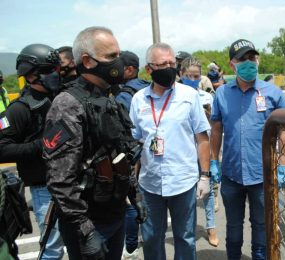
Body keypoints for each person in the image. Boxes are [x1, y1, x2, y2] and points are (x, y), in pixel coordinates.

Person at [43, 26, 142, 260]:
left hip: (115, 214)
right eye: (111, 57)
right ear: (87, 61)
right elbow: (59, 179)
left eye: (118, 55)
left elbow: (120, 154)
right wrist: (86, 232)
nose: (118, 62)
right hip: (89, 223)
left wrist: (135, 197)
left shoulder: (107, 97)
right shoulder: (67, 105)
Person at [129, 42, 211, 260]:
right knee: (152, 238)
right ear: (149, 70)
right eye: (162, 64)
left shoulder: (189, 96)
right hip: (150, 184)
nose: (169, 67)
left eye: (172, 63)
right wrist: (131, 179)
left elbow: (202, 138)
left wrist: (205, 175)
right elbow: (135, 142)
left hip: (183, 181)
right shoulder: (138, 100)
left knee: (185, 238)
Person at [210, 39, 285, 260]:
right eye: (242, 59)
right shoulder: (222, 94)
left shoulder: (273, 93)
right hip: (231, 175)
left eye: (252, 58)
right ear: (232, 64)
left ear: (258, 60)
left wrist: (283, 164)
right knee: (234, 228)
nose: (249, 63)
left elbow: (284, 131)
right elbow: (216, 130)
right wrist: (213, 161)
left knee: (261, 227)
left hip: (262, 175)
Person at [0, 44, 65, 259]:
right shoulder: (20, 109)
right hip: (44, 188)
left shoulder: (61, 98)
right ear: (30, 76)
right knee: (52, 248)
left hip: (71, 182)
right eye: (47, 71)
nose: (53, 75)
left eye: (54, 70)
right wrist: (40, 146)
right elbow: (2, 149)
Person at [179, 56, 219, 247]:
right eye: (189, 76)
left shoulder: (206, 96)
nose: (193, 79)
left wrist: (213, 158)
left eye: (196, 76)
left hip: (204, 151)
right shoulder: (175, 96)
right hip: (185, 153)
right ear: (181, 74)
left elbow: (214, 127)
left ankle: (211, 228)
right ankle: (190, 229)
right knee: (188, 194)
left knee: (208, 191)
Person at [114, 50, 150, 260]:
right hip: (152, 156)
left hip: (132, 158)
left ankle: (130, 248)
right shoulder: (147, 88)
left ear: (129, 70)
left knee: (131, 204)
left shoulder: (123, 95)